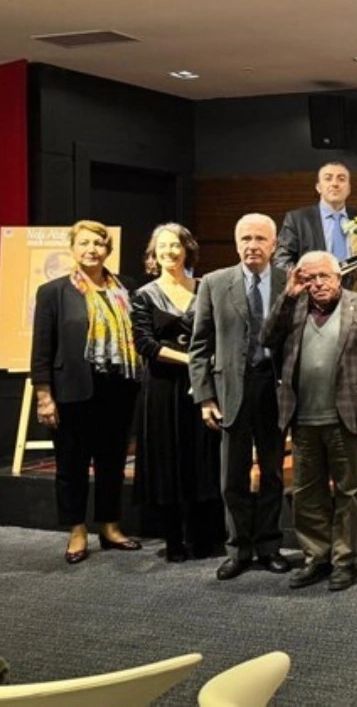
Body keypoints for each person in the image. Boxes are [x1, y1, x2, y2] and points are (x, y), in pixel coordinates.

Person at [262, 251, 357, 592]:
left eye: (324, 276)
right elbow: (267, 339)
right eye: (310, 278)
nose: (317, 283)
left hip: (347, 416)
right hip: (302, 418)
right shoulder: (293, 306)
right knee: (306, 493)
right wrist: (288, 295)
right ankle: (316, 557)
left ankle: (343, 561)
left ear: (339, 277)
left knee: (347, 492)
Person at [31, 218, 144, 564]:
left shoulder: (126, 287)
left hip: (119, 388)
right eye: (84, 243)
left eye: (98, 243)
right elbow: (42, 349)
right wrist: (44, 396)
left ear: (108, 249)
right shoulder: (53, 292)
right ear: (73, 248)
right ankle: (77, 530)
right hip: (72, 390)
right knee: (72, 464)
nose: (91, 249)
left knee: (112, 462)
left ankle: (110, 526)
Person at [274, 161, 357, 482]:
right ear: (318, 186)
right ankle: (316, 456)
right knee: (320, 376)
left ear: (349, 186)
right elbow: (281, 259)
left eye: (341, 178)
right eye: (328, 178)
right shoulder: (298, 219)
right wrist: (309, 275)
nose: (335, 183)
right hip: (312, 308)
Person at [189, 213, 293, 581]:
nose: (252, 245)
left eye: (260, 239)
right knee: (231, 476)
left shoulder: (287, 282)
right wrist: (205, 397)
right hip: (230, 389)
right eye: (246, 238)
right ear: (236, 244)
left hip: (273, 388)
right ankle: (238, 549)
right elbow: (199, 346)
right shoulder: (214, 283)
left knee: (273, 473)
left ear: (274, 245)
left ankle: (269, 545)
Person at [131, 223, 223, 563]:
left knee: (202, 455)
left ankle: (203, 535)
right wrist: (191, 360)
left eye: (175, 245)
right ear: (153, 254)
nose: (169, 252)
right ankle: (173, 538)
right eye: (162, 247)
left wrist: (203, 366)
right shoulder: (144, 295)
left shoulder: (205, 287)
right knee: (167, 458)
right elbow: (144, 343)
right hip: (162, 388)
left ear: (187, 250)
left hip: (203, 385)